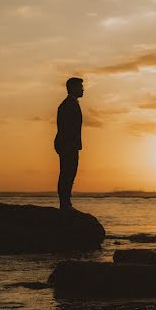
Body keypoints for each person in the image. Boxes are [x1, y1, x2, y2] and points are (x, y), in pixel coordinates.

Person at [55, 77, 84, 210]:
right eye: (80, 87)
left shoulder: (71, 104)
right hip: (67, 144)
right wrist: (68, 145)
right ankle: (65, 203)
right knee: (67, 173)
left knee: (69, 173)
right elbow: (65, 128)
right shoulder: (67, 105)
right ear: (72, 88)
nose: (83, 89)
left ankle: (66, 202)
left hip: (69, 144)